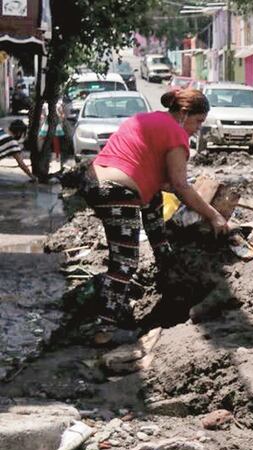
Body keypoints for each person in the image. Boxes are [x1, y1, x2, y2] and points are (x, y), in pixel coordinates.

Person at [81, 88, 230, 340]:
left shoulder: (147, 119)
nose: (197, 129)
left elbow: (161, 183)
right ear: (183, 114)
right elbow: (181, 187)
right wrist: (214, 216)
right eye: (198, 121)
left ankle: (164, 259)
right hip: (118, 192)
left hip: (96, 183)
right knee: (125, 262)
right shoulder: (176, 133)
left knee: (153, 201)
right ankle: (103, 329)